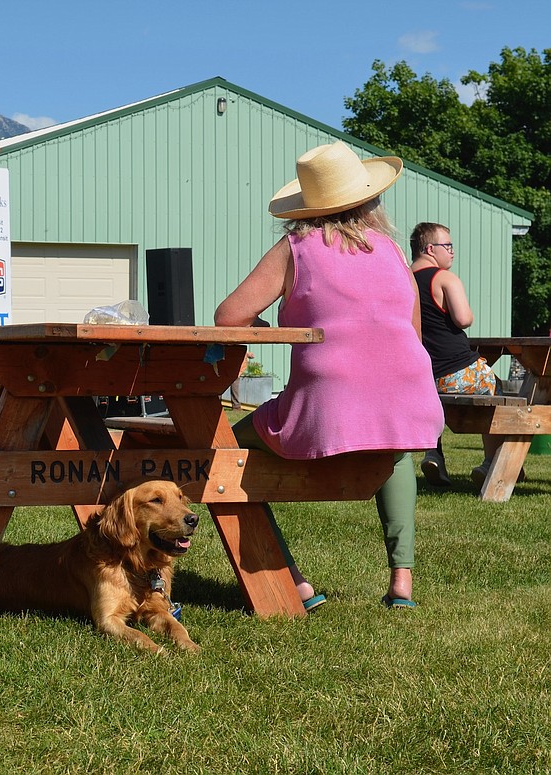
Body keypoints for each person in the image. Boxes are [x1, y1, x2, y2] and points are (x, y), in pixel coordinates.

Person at [214, 140, 444, 610]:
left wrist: (274, 330)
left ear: (305, 206)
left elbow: (228, 316)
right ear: (370, 200)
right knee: (396, 449)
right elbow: (413, 335)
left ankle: (294, 580)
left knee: (226, 454)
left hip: (325, 407)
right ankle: (402, 582)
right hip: (409, 402)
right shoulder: (395, 253)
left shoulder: (296, 248)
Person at [409, 222, 502, 488]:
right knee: (494, 386)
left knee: (436, 398)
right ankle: (491, 464)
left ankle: (434, 454)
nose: (452, 252)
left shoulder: (403, 279)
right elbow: (464, 319)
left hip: (422, 377)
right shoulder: (445, 278)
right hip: (456, 371)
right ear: (430, 248)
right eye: (447, 246)